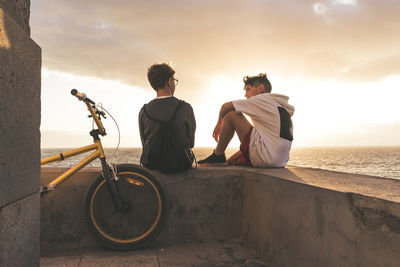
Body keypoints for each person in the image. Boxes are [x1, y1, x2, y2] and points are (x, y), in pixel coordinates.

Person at [198, 73, 294, 168]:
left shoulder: (261, 99)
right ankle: (220, 159)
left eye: (248, 89)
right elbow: (253, 143)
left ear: (260, 88)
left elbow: (225, 107)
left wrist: (219, 123)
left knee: (231, 114)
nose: (245, 95)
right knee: (254, 132)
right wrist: (229, 161)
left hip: (265, 158)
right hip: (279, 161)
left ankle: (218, 156)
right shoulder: (279, 107)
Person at [139, 63, 196, 173]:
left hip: (152, 164)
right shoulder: (185, 108)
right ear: (169, 82)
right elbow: (191, 143)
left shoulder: (144, 111)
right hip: (180, 165)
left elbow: (144, 143)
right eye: (174, 81)